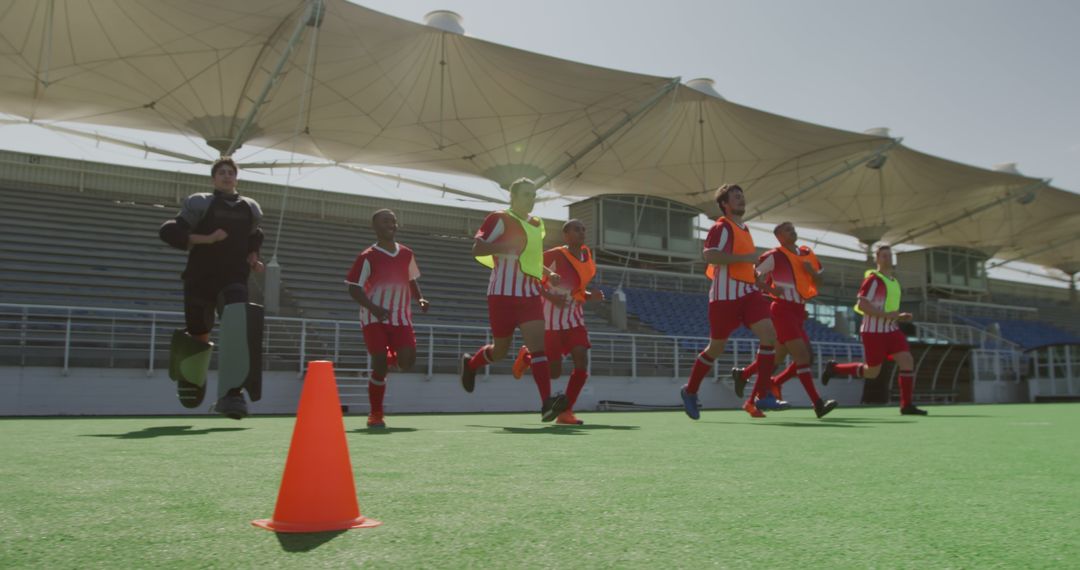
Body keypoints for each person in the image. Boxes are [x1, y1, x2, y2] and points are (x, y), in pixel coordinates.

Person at [159, 157, 265, 419]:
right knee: (199, 334)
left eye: (231, 173)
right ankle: (192, 378)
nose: (227, 176)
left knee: (237, 329)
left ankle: (232, 394)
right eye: (222, 173)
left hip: (234, 278)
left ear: (237, 178)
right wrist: (208, 239)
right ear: (213, 179)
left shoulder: (250, 208)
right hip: (200, 278)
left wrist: (253, 256)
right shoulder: (200, 203)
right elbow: (170, 231)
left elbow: (254, 235)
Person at [459, 178, 568, 422]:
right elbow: (477, 249)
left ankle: (546, 404)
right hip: (501, 296)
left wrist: (549, 274)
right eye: (526, 194)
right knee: (500, 351)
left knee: (539, 349)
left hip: (529, 295)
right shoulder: (499, 218)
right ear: (513, 196)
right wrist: (505, 244)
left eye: (533, 195)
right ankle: (471, 364)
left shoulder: (537, 224)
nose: (531, 199)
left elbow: (531, 260)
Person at [680, 184, 778, 419]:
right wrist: (745, 258)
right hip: (724, 297)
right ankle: (690, 391)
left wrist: (760, 281)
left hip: (747, 292)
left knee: (769, 335)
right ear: (725, 204)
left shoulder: (744, 228)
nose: (741, 199)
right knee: (716, 347)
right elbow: (710, 255)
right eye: (736, 197)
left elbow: (744, 265)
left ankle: (762, 394)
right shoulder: (721, 226)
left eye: (742, 195)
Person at [733, 222, 837, 418]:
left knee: (776, 359)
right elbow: (751, 275)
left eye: (793, 228)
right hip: (782, 310)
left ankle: (745, 379)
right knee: (803, 358)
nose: (793, 231)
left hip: (798, 310)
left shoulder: (806, 254)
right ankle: (817, 404)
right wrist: (772, 290)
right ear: (779, 236)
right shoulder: (774, 255)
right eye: (787, 230)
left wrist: (812, 273)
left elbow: (820, 281)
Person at [511, 219, 604, 425]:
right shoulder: (554, 255)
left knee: (582, 360)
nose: (581, 232)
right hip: (550, 321)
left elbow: (577, 291)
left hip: (574, 319)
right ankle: (527, 356)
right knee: (553, 373)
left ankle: (566, 412)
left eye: (583, 229)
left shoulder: (587, 257)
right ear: (566, 235)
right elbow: (528, 272)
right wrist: (550, 296)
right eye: (576, 229)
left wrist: (591, 295)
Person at [345, 209, 430, 429]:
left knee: (407, 362)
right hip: (373, 317)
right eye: (385, 221)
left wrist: (420, 299)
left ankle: (391, 356)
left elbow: (411, 280)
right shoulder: (367, 256)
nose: (391, 224)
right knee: (379, 364)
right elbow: (353, 289)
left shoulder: (406, 253)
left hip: (401, 317)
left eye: (393, 221)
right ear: (375, 227)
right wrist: (374, 307)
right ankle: (376, 413)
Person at [821, 244, 928, 415]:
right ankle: (835, 369)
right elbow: (862, 305)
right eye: (884, 256)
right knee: (872, 372)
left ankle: (906, 405)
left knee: (907, 360)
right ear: (877, 259)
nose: (887, 258)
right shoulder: (873, 280)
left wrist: (899, 316)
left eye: (889, 255)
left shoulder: (894, 282)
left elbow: (887, 309)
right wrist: (889, 316)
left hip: (892, 330)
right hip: (873, 332)